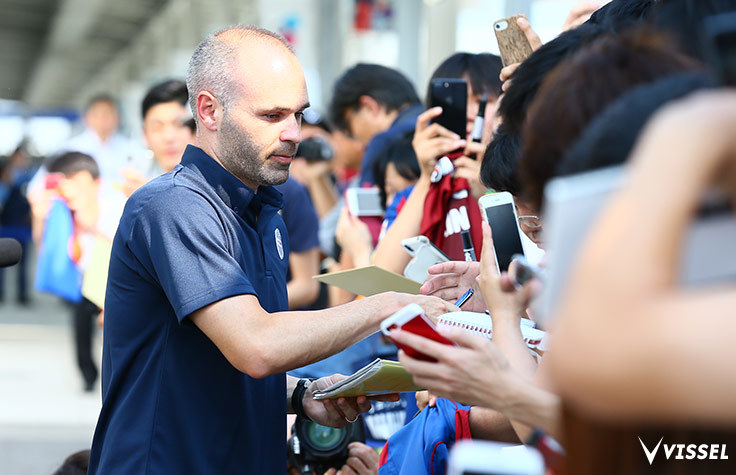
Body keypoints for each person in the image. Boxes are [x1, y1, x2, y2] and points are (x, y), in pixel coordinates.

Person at [88, 25, 451, 474]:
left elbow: (211, 362)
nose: (294, 132)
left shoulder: (266, 212)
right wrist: (389, 305)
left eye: (299, 114)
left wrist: (302, 394)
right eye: (272, 115)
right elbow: (255, 345)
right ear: (209, 109)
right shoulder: (174, 206)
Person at [329, 63, 423, 186]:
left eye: (350, 131)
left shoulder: (383, 143)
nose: (360, 144)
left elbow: (370, 205)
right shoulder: (444, 125)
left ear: (369, 107)